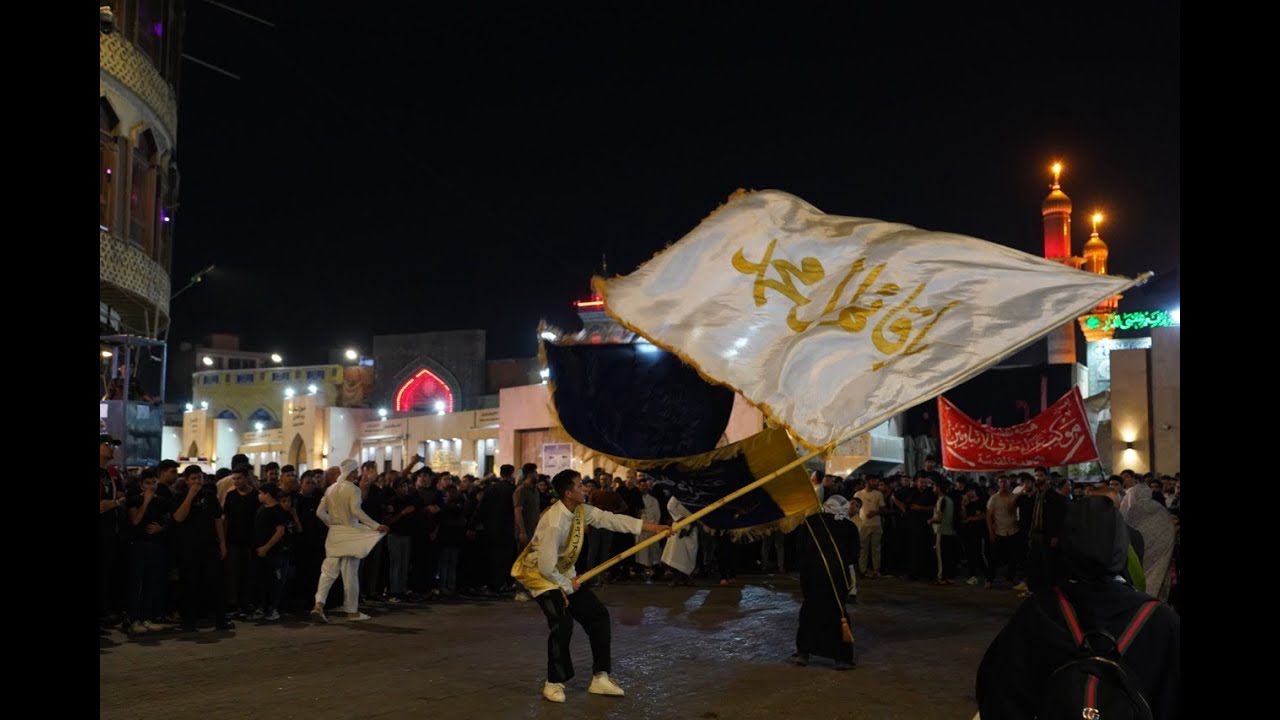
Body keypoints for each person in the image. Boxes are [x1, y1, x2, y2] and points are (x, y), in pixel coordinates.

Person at [975, 496, 1180, 719]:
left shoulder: (1039, 612)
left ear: (1065, 544)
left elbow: (997, 691)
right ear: (1123, 546)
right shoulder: (1160, 620)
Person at [510, 469, 670, 703]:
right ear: (568, 493)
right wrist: (568, 585)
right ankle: (554, 682)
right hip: (541, 577)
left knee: (598, 616)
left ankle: (600, 677)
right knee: (562, 623)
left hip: (564, 574)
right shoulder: (554, 522)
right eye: (579, 485)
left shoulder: (581, 511)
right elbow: (545, 567)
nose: (585, 488)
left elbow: (612, 519)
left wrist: (654, 528)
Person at [310, 461, 389, 623]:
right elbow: (356, 511)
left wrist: (332, 524)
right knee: (350, 575)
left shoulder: (330, 489)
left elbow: (319, 512)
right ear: (352, 472)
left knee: (327, 572)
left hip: (334, 535)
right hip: (350, 534)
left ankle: (318, 604)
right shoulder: (353, 489)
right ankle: (352, 612)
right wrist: (376, 525)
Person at [793, 496, 858, 670]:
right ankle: (841, 658)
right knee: (837, 614)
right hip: (837, 579)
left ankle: (803, 653)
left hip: (812, 578)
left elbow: (800, 551)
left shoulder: (811, 523)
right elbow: (853, 556)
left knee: (809, 612)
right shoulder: (849, 527)